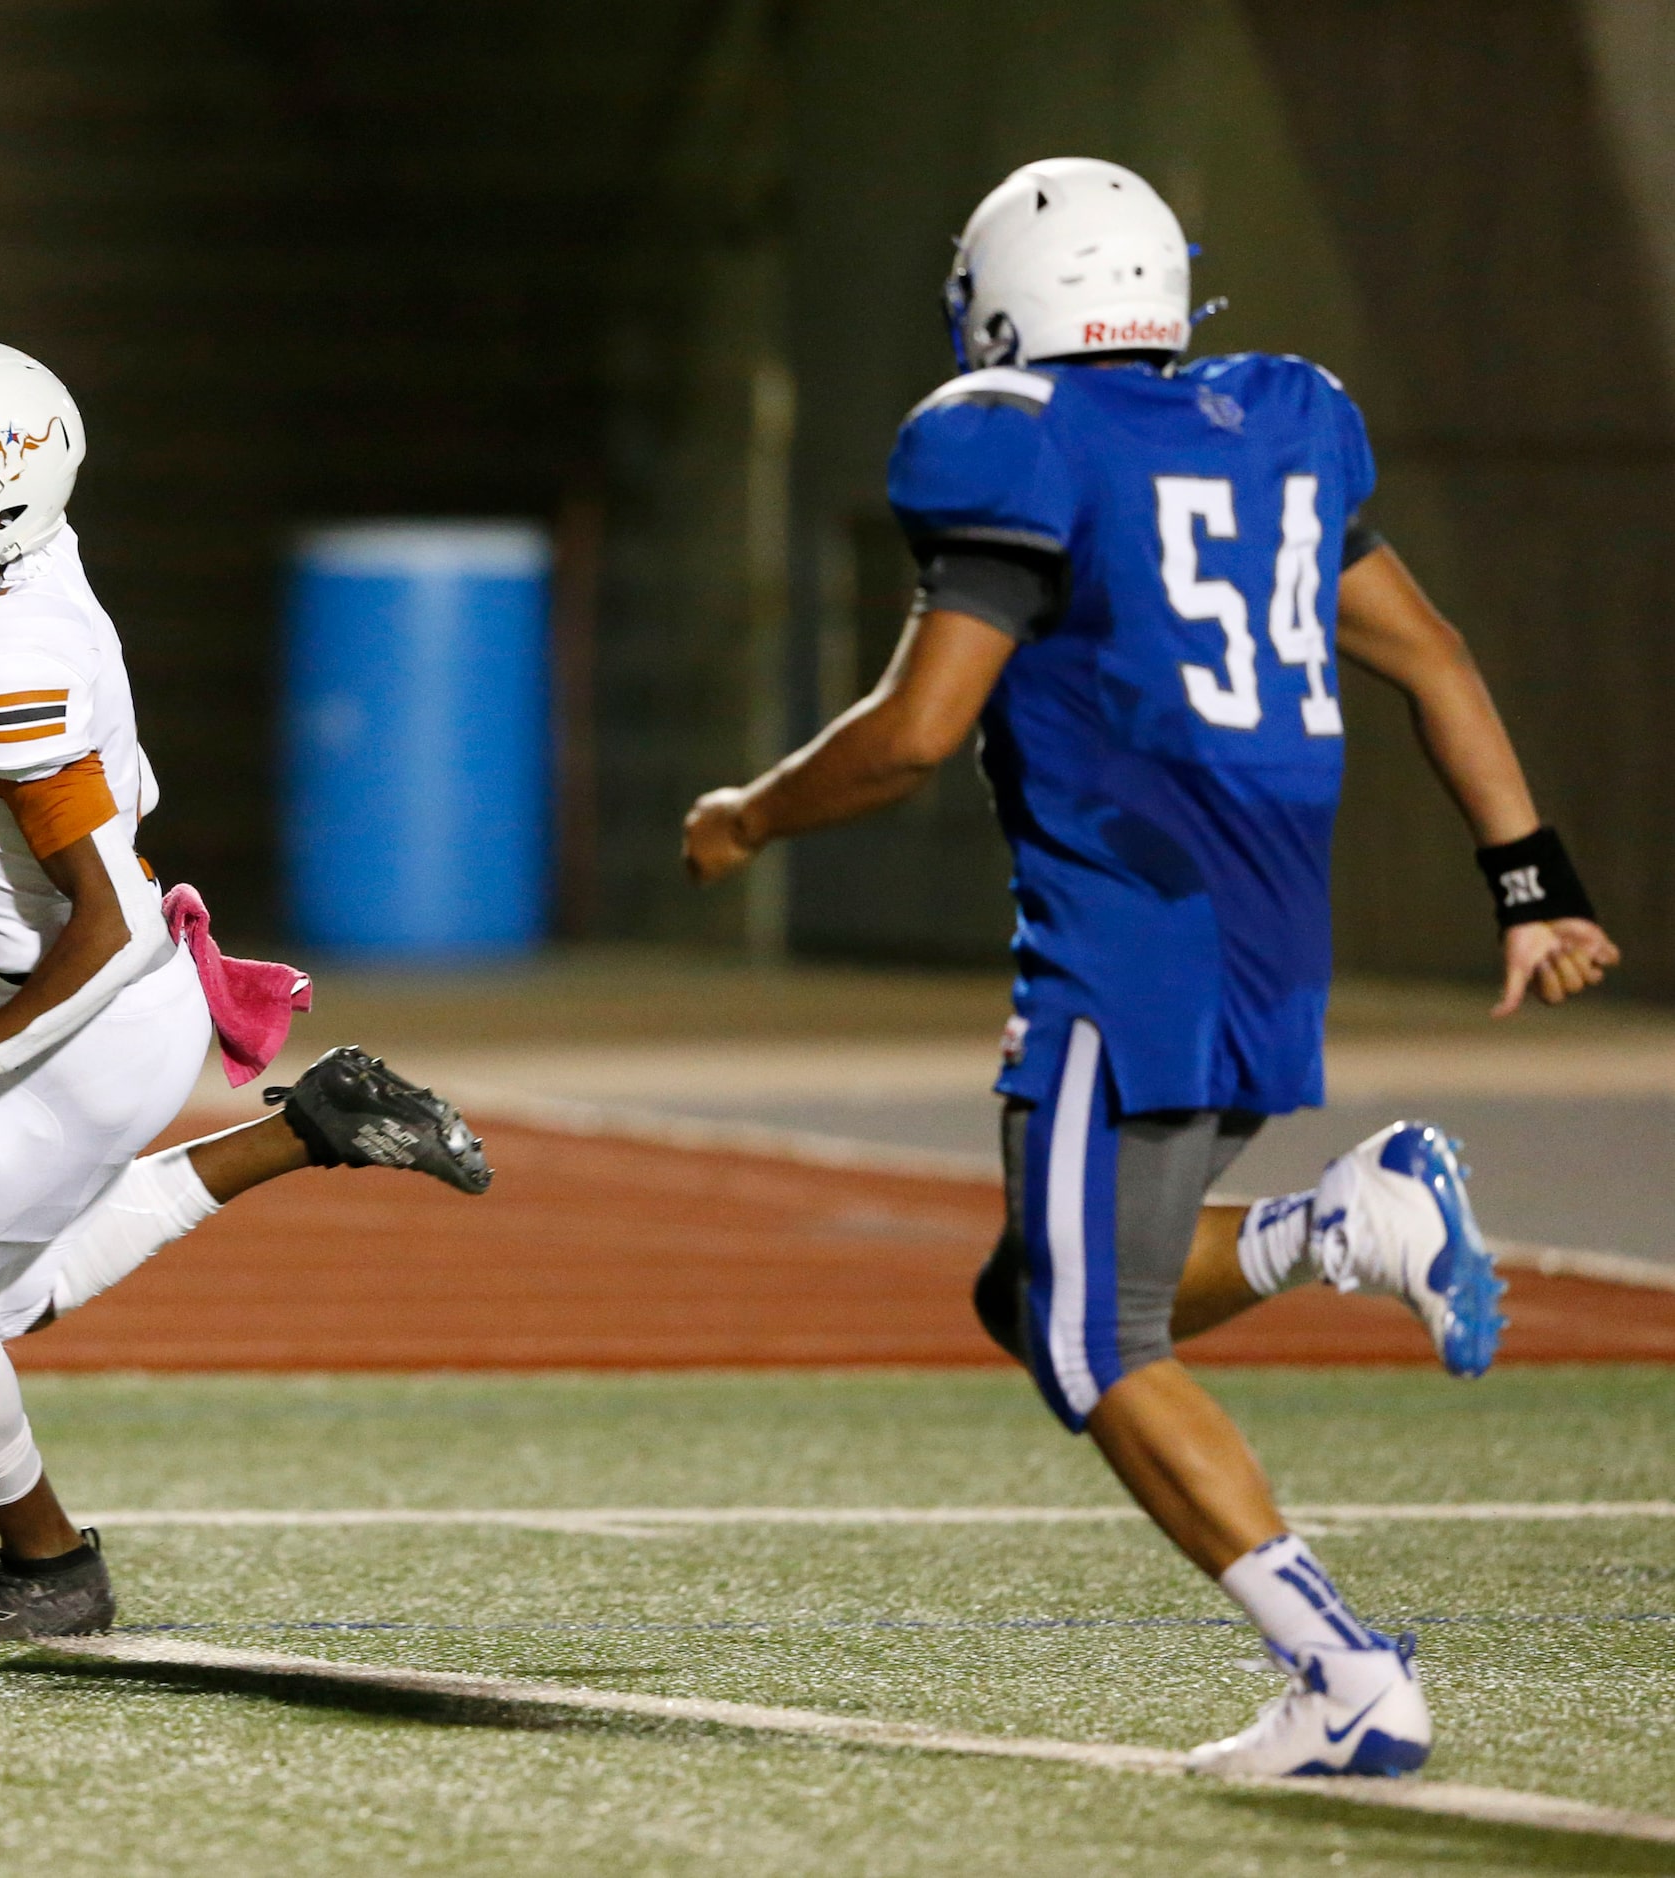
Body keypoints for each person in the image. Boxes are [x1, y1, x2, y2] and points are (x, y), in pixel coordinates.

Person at [682, 160, 1621, 1777]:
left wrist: (749, 816)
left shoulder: (1020, 445)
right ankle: (1343, 1218)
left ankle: (1343, 1672)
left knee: (1083, 1342)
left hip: (1130, 938)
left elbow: (915, 735)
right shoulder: (1276, 431)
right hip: (1266, 935)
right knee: (1036, 1289)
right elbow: (1436, 654)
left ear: (1000, 306)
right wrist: (1528, 883)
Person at [0, 338, 493, 1644]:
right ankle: (314, 1124)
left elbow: (112, 922)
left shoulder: (4, 652)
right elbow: (42, 785)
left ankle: (49, 1568)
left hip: (103, 1011)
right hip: (111, 1001)